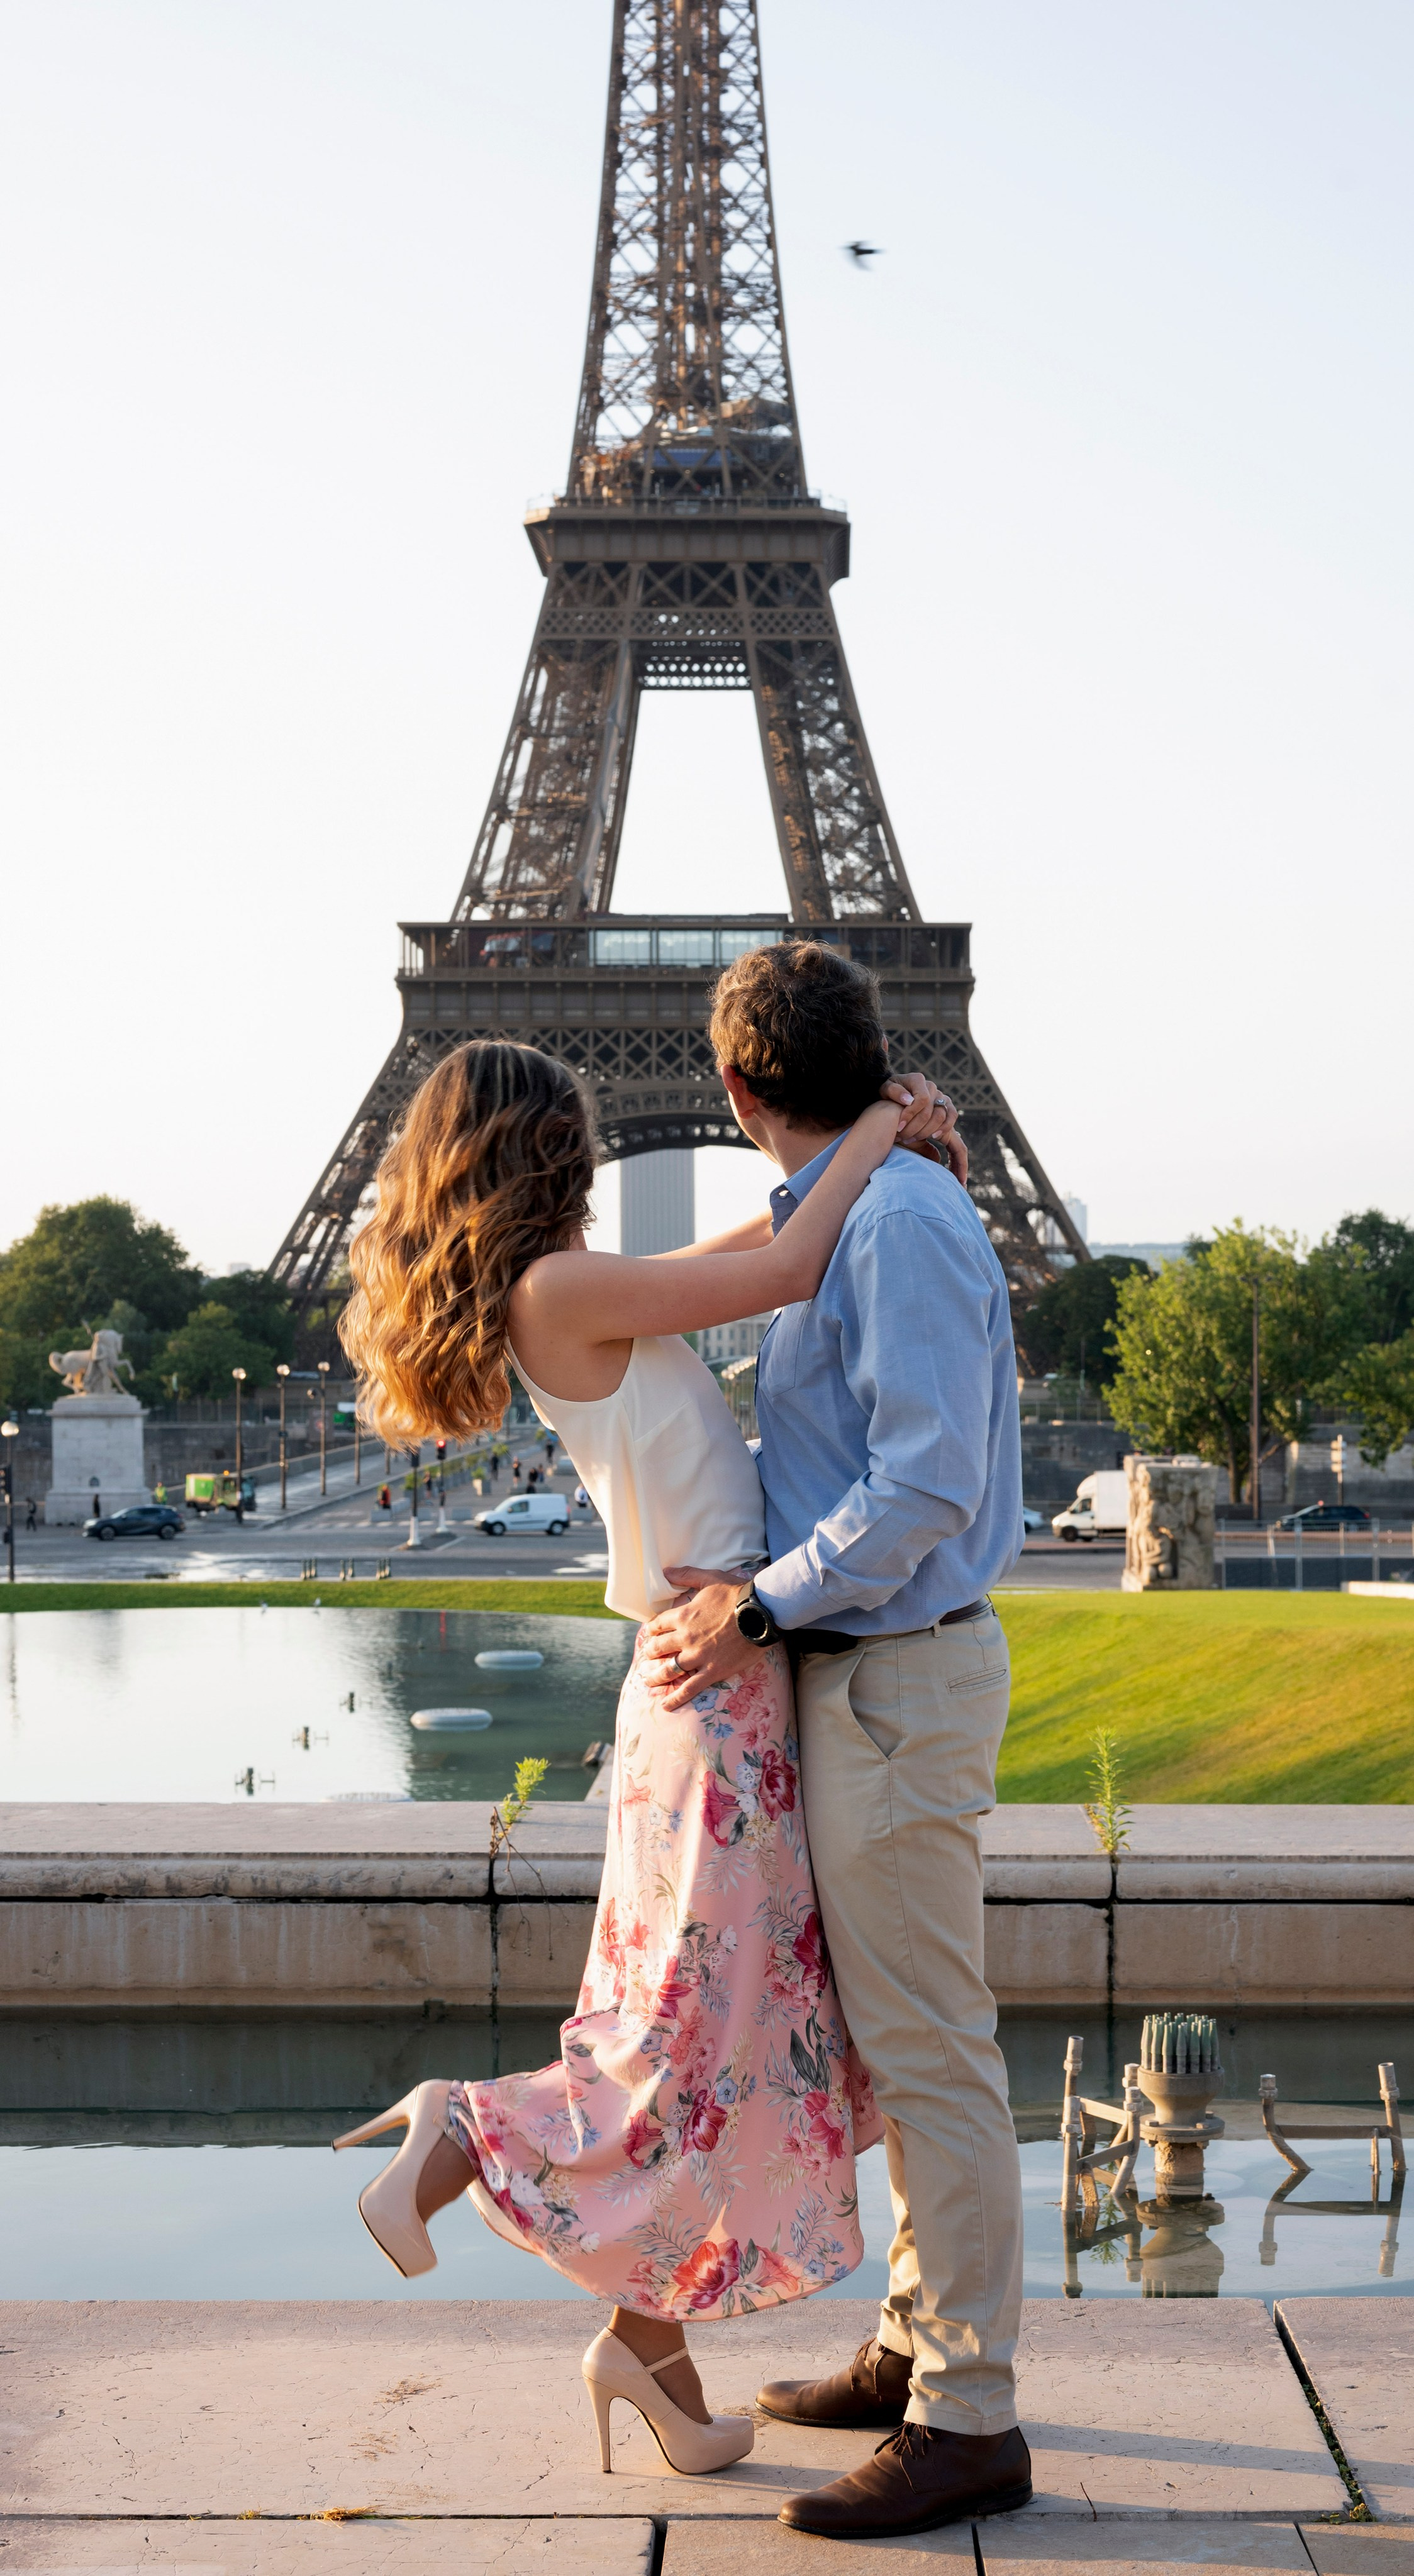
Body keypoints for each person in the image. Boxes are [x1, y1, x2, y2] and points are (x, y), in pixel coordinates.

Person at [333, 1033, 958, 2480]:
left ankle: (651, 2356)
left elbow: (752, 1242)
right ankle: (467, 2130)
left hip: (705, 1681)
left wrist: (853, 1153)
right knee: (685, 2028)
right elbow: (787, 1268)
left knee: (688, 2023)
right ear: (542, 1151)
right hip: (713, 1694)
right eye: (579, 1137)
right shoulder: (560, 1287)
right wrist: (878, 1120)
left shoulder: (565, 1291)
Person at [644, 940, 1030, 2543]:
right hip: (863, 1674)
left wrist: (750, 1607)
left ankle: (969, 2416)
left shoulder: (902, 1221)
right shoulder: (859, 1214)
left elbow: (922, 1487)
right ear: (868, 1055)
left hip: (888, 1672)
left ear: (737, 1093)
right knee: (899, 2043)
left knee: (930, 2048)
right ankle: (914, 2347)